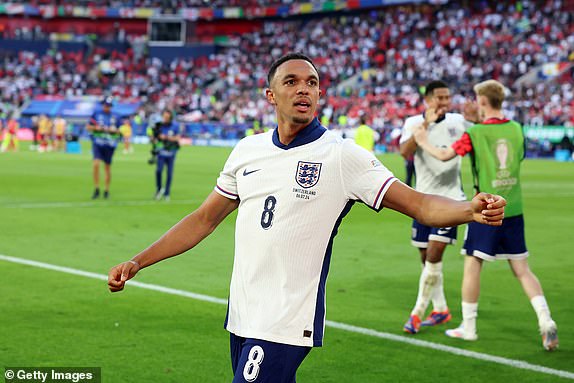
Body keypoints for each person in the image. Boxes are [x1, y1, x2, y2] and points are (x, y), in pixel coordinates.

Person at [108, 53, 506, 382]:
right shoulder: (247, 150)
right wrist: (139, 261)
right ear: (270, 95)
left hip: (286, 318)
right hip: (243, 313)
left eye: (312, 82)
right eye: (292, 81)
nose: (304, 88)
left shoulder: (341, 156)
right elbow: (203, 220)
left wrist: (468, 210)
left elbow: (419, 205)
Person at [414, 79, 558, 351]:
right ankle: (545, 320)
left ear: (482, 102)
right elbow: (520, 158)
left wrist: (423, 141)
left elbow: (446, 155)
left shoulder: (475, 133)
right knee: (522, 269)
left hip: (486, 208)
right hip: (514, 207)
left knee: (472, 265)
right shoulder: (517, 129)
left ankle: (468, 328)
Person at [398, 80, 476, 334]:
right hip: (422, 201)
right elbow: (404, 152)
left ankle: (417, 313)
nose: (444, 102)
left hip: (451, 199)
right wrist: (426, 125)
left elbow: (478, 137)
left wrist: (476, 120)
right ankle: (441, 308)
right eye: (439, 98)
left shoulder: (458, 121)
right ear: (428, 100)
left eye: (447, 97)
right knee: (426, 258)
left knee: (433, 255)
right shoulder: (413, 123)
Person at [87, 97, 121, 199]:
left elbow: (121, 130)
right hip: (98, 143)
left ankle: (106, 190)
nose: (107, 107)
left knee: (107, 167)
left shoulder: (116, 116)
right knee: (96, 164)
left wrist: (113, 130)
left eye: (109, 106)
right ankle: (96, 188)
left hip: (110, 144)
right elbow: (89, 127)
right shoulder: (96, 114)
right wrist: (97, 128)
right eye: (106, 105)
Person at [154, 109, 181, 201]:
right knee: (158, 171)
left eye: (167, 117)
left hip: (171, 152)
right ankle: (159, 189)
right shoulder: (159, 125)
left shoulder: (175, 126)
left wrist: (166, 137)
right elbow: (155, 138)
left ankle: (167, 193)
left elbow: (177, 138)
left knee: (169, 174)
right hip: (161, 152)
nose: (165, 119)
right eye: (164, 117)